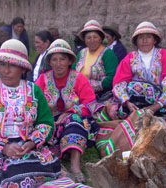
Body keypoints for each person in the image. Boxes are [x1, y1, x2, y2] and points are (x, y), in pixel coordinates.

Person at [0, 39, 60, 187]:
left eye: (12, 65)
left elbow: (45, 122)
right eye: (2, 64)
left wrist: (31, 142)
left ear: (23, 69)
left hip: (26, 148)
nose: (5, 71)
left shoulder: (35, 91)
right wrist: (3, 147)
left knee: (28, 174)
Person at [35, 39, 99, 183]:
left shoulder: (79, 78)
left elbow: (90, 104)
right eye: (54, 60)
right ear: (49, 62)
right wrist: (46, 118)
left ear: (69, 61)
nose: (58, 64)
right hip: (50, 121)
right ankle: (58, 166)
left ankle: (75, 165)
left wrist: (69, 113)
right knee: (39, 134)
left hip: (75, 120)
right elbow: (33, 103)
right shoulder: (43, 80)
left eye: (62, 59)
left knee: (74, 122)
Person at [112, 21, 166, 121]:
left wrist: (158, 105)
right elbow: (120, 81)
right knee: (121, 107)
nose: (144, 40)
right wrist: (127, 102)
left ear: (154, 40)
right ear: (136, 41)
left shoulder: (164, 55)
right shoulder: (130, 58)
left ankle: (153, 116)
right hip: (135, 102)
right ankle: (138, 114)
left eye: (148, 37)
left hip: (160, 100)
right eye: (141, 37)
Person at [72, 20, 118, 100]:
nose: (92, 40)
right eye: (88, 38)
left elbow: (112, 77)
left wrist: (89, 87)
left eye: (95, 37)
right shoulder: (81, 53)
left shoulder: (107, 53)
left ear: (101, 39)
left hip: (101, 95)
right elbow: (73, 72)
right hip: (79, 93)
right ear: (84, 40)